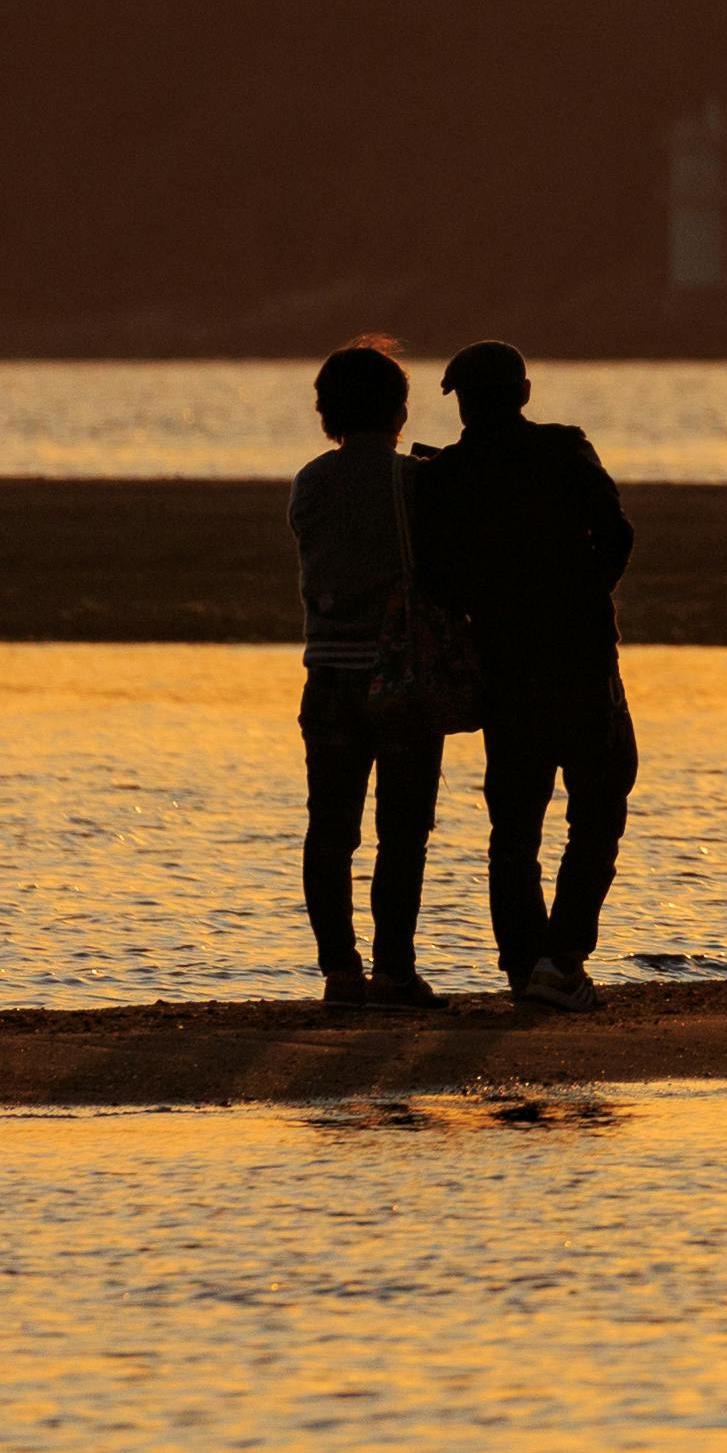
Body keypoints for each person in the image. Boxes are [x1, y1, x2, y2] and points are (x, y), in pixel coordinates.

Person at [412, 338, 635, 1014]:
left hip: (505, 665)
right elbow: (617, 535)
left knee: (515, 824)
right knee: (598, 804)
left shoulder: (447, 476)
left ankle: (526, 965)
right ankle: (561, 959)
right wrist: (585, 596)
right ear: (525, 394)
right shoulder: (565, 448)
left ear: (463, 404)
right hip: (581, 658)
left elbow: (437, 574)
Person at [288, 341, 451, 1012]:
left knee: (330, 830)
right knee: (403, 832)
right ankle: (395, 972)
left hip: (327, 675)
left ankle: (339, 973)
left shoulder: (310, 481)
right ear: (399, 409)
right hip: (400, 679)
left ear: (328, 411)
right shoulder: (414, 483)